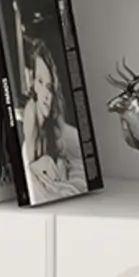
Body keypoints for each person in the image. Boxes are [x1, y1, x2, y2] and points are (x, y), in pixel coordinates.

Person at [20, 35, 87, 201]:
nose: (46, 95)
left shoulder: (52, 117)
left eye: (49, 86)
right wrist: (43, 163)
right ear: (33, 83)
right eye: (40, 82)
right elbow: (28, 167)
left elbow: (59, 150)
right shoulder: (31, 113)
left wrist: (58, 162)